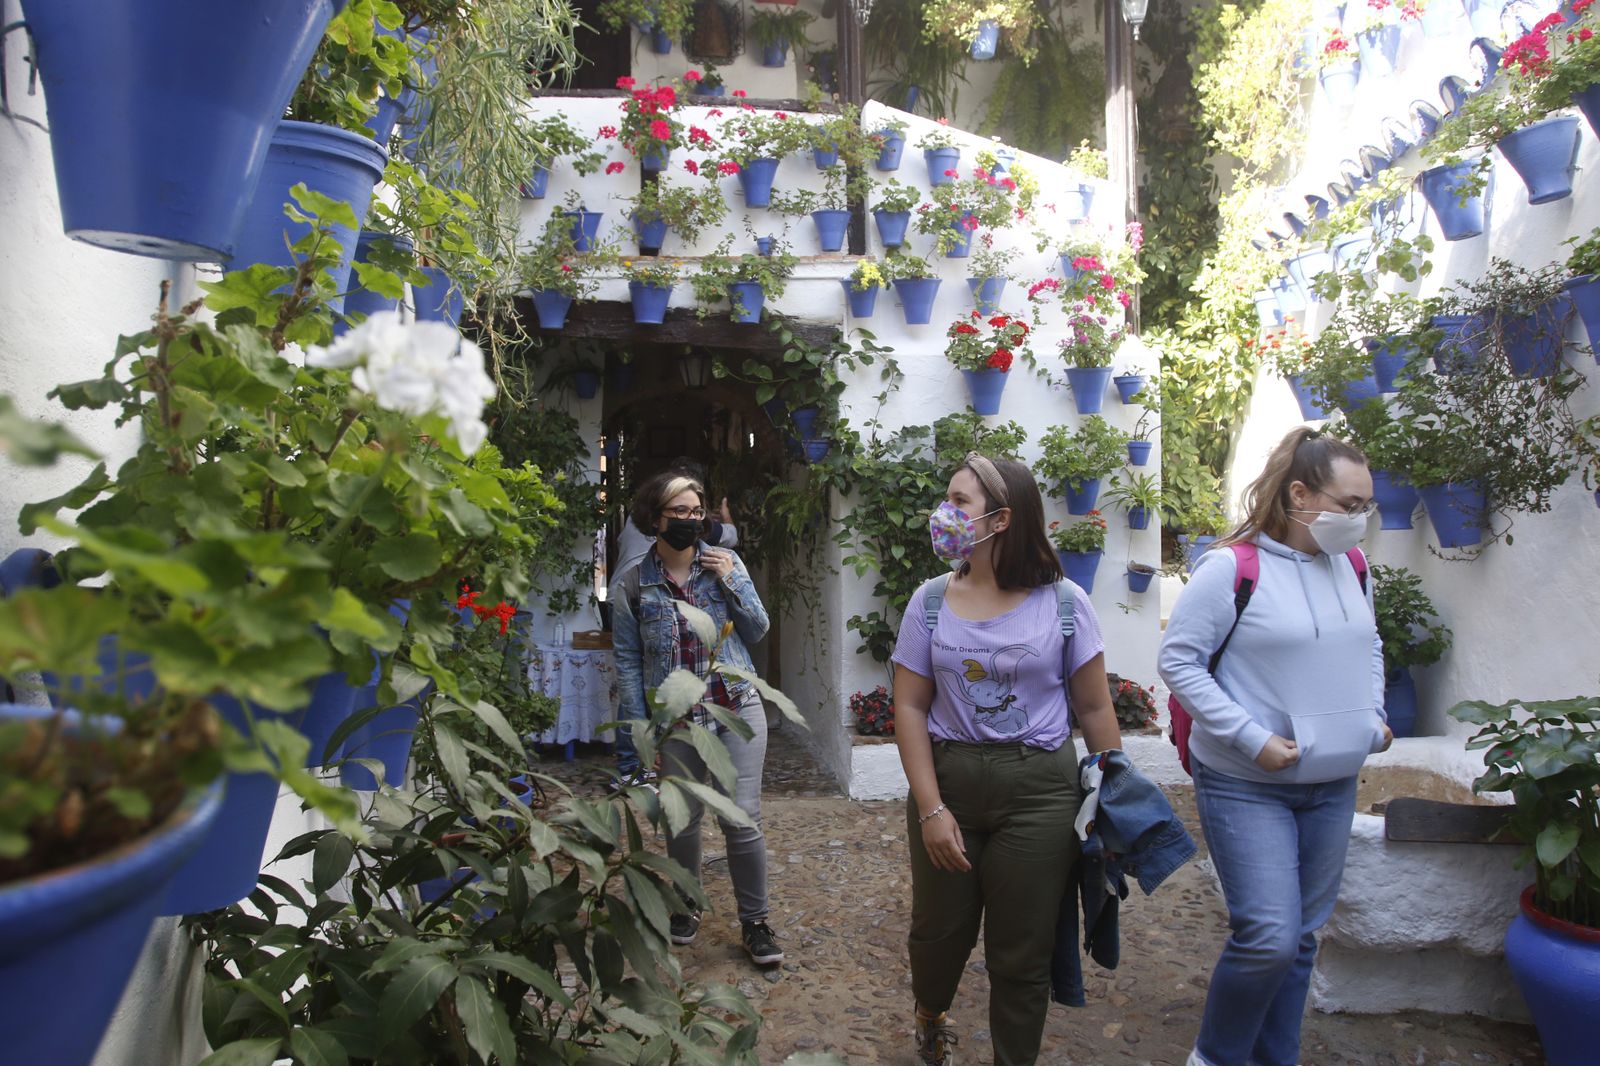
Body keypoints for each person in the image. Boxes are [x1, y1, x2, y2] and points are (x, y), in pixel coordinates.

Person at [1158, 428, 1392, 1066]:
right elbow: (1180, 663)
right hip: (1244, 781)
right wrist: (1252, 739)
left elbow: (1369, 644)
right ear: (1298, 495)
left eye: (1366, 506)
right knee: (1268, 937)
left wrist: (1375, 713)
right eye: (1349, 505)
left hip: (1333, 780)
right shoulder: (1231, 569)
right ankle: (1214, 1058)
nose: (1359, 520)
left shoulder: (1354, 567)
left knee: (1302, 940)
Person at [891, 452, 1123, 1066]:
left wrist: (1113, 795)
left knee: (1022, 951)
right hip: (950, 785)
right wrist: (931, 809)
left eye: (959, 502)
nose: (945, 513)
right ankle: (931, 1013)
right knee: (937, 934)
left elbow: (1096, 709)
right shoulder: (929, 603)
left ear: (1001, 519)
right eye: (948, 497)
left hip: (1041, 790)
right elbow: (910, 708)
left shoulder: (1066, 603)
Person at [608, 470, 782, 967]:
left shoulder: (725, 565)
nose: (688, 520)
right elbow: (627, 662)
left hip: (734, 706)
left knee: (742, 818)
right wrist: (642, 735)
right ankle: (686, 903)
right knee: (683, 822)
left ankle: (756, 923)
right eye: (677, 512)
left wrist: (731, 579)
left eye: (695, 510)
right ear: (654, 519)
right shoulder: (633, 585)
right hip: (675, 718)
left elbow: (758, 628)